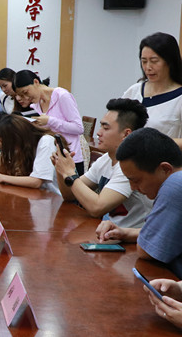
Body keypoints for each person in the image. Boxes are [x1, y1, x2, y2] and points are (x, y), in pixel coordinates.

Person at [97, 128, 182, 278]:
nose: (132, 187)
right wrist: (126, 232)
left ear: (165, 169)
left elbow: (146, 251)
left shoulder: (175, 184)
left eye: (136, 180)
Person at [54, 98, 152, 229]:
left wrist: (70, 173)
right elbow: (69, 195)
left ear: (126, 134)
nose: (98, 133)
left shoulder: (131, 166)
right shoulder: (105, 159)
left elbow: (97, 208)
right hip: (106, 232)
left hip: (130, 238)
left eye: (105, 128)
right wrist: (61, 169)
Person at [12, 69, 84, 176]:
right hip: (50, 159)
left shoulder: (62, 96)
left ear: (36, 82)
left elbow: (78, 128)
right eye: (22, 96)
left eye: (26, 92)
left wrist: (50, 120)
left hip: (70, 158)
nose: (26, 98)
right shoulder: (36, 104)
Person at [121, 32, 182, 143]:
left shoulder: (179, 97)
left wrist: (155, 143)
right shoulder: (134, 91)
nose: (148, 67)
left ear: (170, 62)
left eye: (154, 61)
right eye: (144, 61)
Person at [0, 114, 62, 194]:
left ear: (17, 137)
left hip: (53, 196)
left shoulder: (46, 141)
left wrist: (2, 178)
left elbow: (36, 182)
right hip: (36, 194)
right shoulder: (24, 145)